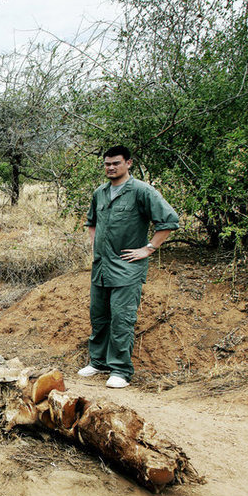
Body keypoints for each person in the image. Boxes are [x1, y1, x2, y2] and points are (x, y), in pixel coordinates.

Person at [78, 146, 179, 388]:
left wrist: (149, 248)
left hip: (127, 268)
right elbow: (92, 222)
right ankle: (98, 361)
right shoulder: (100, 193)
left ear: (128, 163)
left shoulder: (142, 191)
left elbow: (169, 220)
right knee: (99, 316)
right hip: (101, 267)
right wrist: (95, 244)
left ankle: (120, 371)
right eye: (107, 164)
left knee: (122, 318)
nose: (110, 167)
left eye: (116, 163)